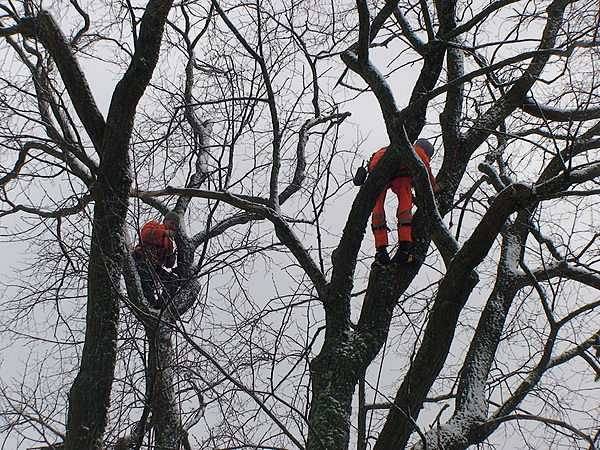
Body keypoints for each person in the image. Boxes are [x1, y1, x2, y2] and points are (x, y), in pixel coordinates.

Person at [368, 139, 438, 264]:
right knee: (405, 208)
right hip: (400, 174)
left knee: (377, 210)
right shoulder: (419, 152)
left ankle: (381, 250)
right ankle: (405, 247)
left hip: (377, 170)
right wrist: (434, 188)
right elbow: (426, 173)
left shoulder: (386, 149)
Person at [133, 212, 180, 308]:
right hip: (142, 258)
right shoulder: (154, 224)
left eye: (176, 225)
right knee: (147, 282)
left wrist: (172, 256)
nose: (173, 226)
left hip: (155, 266)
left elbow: (168, 264)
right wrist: (164, 233)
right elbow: (145, 235)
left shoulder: (170, 242)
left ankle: (160, 306)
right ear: (165, 221)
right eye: (172, 223)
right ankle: (151, 305)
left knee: (173, 282)